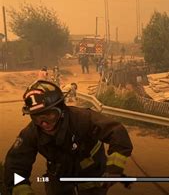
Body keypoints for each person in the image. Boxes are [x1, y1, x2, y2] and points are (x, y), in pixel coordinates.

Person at [4, 80, 133, 195]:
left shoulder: (83, 118)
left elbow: (117, 132)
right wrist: (21, 189)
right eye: (37, 117)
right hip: (59, 180)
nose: (44, 124)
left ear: (61, 109)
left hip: (93, 177)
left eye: (49, 115)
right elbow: (15, 166)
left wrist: (114, 168)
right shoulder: (31, 133)